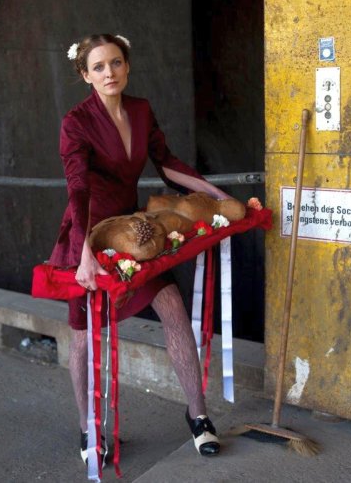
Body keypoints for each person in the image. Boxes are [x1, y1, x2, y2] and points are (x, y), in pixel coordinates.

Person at [48, 34, 228, 463]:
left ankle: (199, 417)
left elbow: (166, 163)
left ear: (127, 66)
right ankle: (88, 428)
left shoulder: (141, 110)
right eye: (99, 67)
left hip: (134, 233)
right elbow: (78, 189)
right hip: (89, 235)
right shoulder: (75, 122)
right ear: (85, 75)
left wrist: (212, 193)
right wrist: (86, 255)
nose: (109, 72)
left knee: (173, 308)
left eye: (116, 63)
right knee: (83, 336)